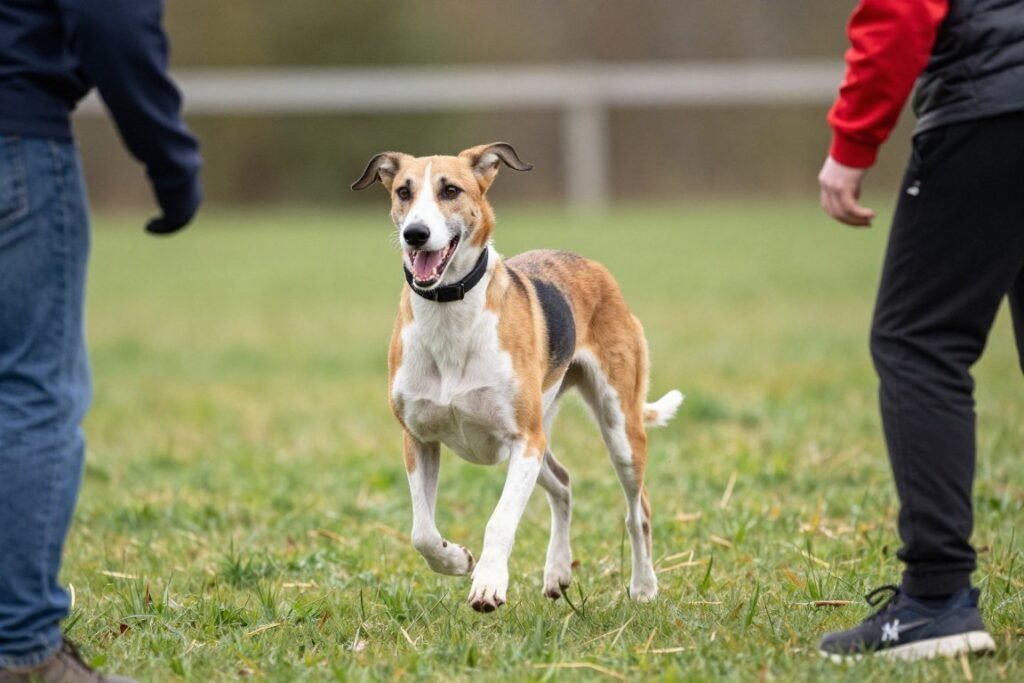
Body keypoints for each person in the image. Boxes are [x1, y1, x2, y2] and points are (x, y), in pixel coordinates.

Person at [816, 0, 1023, 662]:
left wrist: (852, 143)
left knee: (919, 340)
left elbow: (901, 12)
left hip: (992, 106)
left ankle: (937, 599)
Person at [0, 1, 201, 680]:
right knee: (30, 390)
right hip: (15, 137)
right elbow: (113, 20)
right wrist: (171, 161)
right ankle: (22, 651)